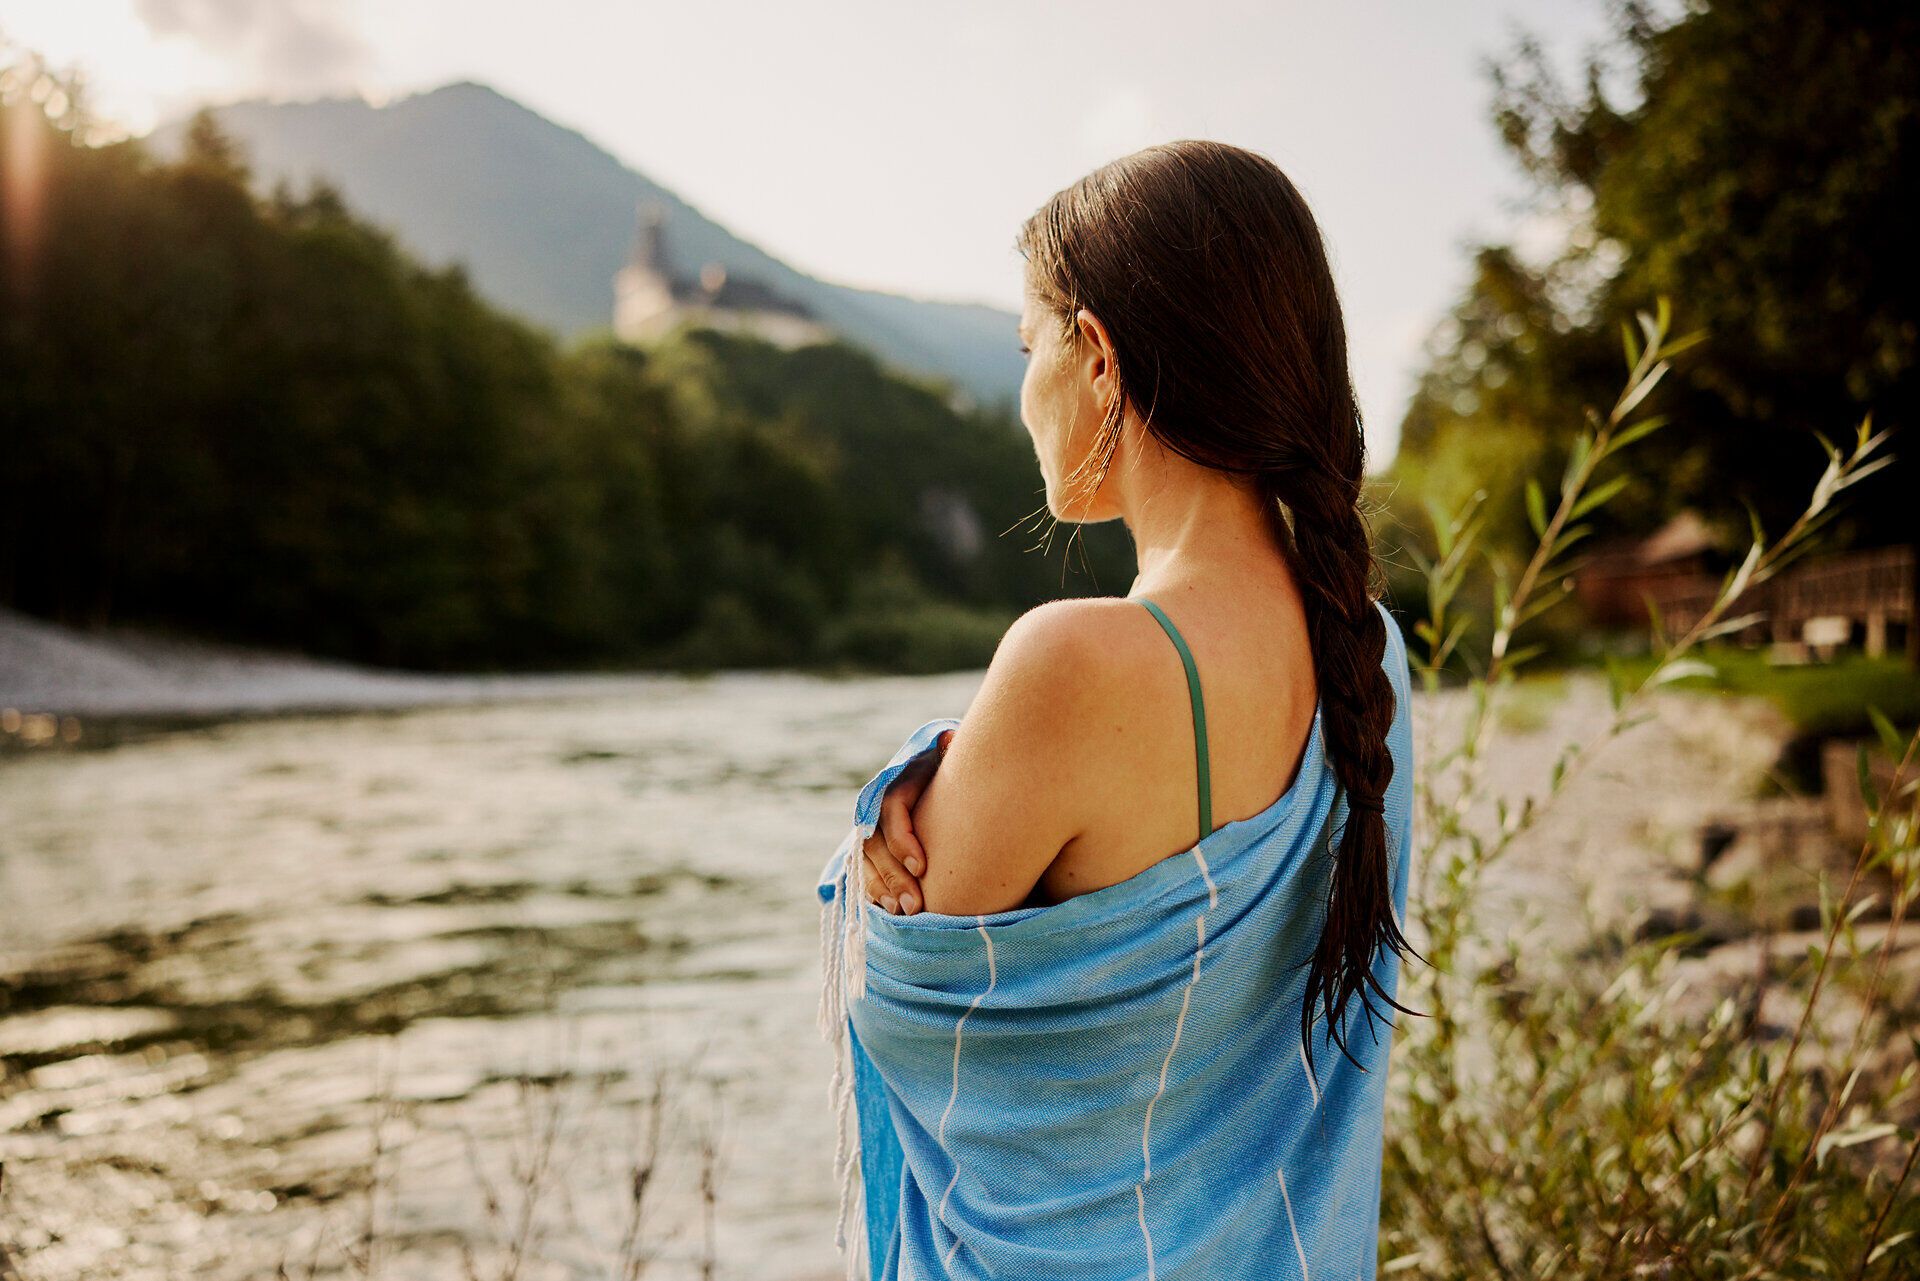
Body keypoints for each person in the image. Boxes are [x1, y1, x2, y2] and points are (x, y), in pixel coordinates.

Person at [815, 138, 1418, 1281]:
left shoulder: (1075, 665)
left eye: (1027, 343)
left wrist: (895, 799)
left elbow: (890, 993)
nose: (1022, 390)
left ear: (1096, 357)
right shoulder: (1373, 655)